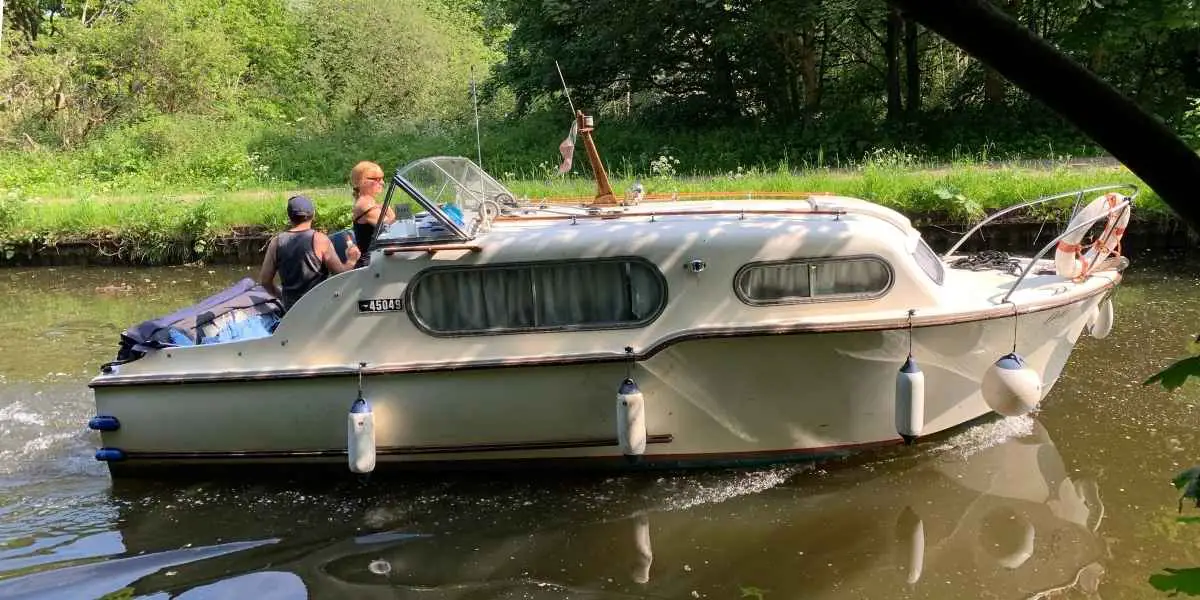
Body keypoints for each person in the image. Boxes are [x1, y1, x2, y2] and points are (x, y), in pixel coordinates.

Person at [259, 195, 360, 312]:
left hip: (292, 310)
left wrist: (281, 296)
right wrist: (352, 260)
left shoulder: (276, 242)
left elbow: (265, 281)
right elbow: (341, 275)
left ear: (289, 217)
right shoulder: (320, 240)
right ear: (313, 214)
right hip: (318, 308)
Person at [350, 161, 396, 266]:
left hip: (378, 257)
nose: (382, 183)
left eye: (382, 179)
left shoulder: (369, 202)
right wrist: (392, 213)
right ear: (361, 181)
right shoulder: (365, 204)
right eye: (377, 179)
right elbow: (391, 229)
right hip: (371, 263)